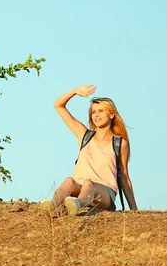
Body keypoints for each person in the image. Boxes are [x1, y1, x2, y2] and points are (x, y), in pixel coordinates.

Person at [41, 84, 137, 216]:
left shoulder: (120, 143)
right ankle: (53, 204)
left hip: (104, 193)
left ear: (111, 115)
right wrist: (75, 91)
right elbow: (58, 105)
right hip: (79, 187)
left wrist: (134, 208)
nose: (96, 115)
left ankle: (77, 205)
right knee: (69, 180)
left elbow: (124, 177)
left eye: (101, 111)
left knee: (89, 183)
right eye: (93, 112)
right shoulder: (84, 136)